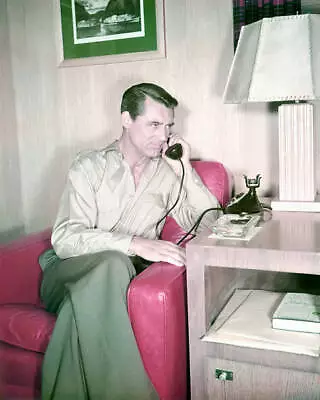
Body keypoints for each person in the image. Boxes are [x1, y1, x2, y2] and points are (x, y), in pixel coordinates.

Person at [39, 82, 220, 399]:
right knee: (113, 261)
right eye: (154, 124)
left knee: (82, 306)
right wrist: (134, 243)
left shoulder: (167, 175)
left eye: (168, 127)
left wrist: (185, 171)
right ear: (126, 120)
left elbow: (212, 224)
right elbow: (65, 239)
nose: (163, 136)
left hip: (116, 286)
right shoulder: (89, 167)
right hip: (65, 275)